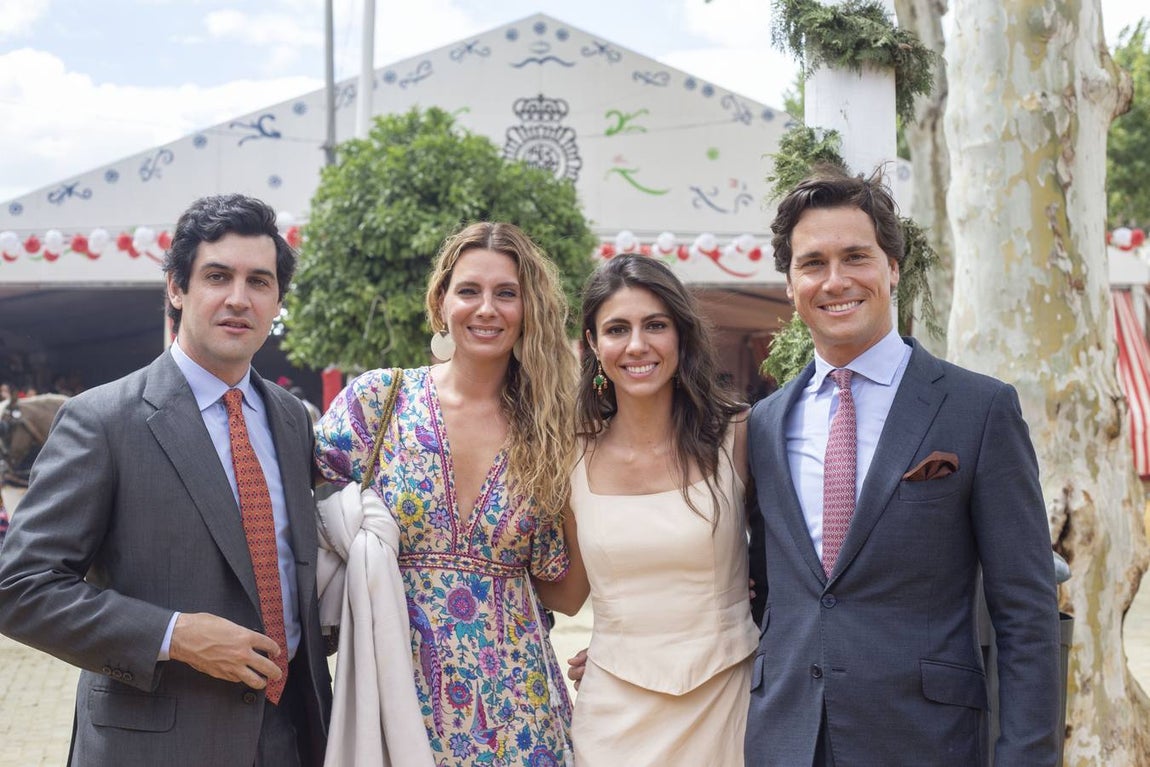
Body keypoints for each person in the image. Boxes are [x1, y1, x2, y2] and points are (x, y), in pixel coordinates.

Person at [0, 194, 333, 766]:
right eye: (217, 276)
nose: (238, 298)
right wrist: (174, 635)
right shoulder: (102, 420)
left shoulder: (290, 419)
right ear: (176, 289)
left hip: (291, 736)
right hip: (156, 745)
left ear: (277, 299)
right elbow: (21, 587)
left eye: (259, 281)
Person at [744, 166, 1062, 765]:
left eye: (856, 257)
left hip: (925, 741)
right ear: (790, 285)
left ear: (893, 268)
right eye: (812, 263)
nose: (835, 280)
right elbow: (761, 589)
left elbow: (1026, 611)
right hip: (784, 738)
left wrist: (1027, 755)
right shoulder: (764, 423)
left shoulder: (979, 409)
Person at [314, 221, 584, 766]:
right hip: (395, 690)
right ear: (441, 302)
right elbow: (297, 519)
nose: (487, 308)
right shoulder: (378, 402)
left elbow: (567, 594)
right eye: (469, 291)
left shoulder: (552, 429)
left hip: (519, 709)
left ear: (528, 308)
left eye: (506, 293)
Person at [566, 254, 758, 765]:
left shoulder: (740, 436)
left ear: (681, 335)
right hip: (613, 711)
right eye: (616, 329)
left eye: (656, 325)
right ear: (592, 344)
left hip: (726, 695)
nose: (636, 345)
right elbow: (566, 594)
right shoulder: (569, 457)